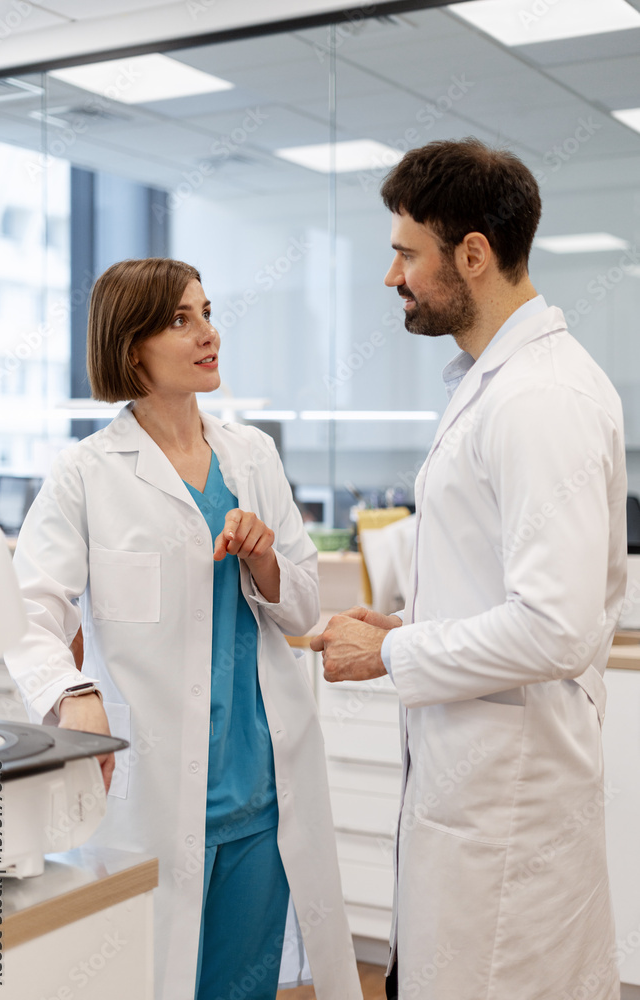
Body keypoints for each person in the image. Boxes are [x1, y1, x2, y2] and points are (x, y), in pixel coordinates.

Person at [311, 139, 627, 1000]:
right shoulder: (498, 383)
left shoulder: (537, 400)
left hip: (508, 805)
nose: (392, 278)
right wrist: (410, 627)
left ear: (474, 255)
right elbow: (505, 591)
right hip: (479, 786)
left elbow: (554, 625)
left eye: (406, 254)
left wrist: (387, 656)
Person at [5, 258, 362, 1000]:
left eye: (206, 312)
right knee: (151, 981)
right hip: (156, 797)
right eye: (180, 319)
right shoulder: (86, 473)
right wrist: (72, 691)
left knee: (240, 987)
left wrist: (265, 559)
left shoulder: (251, 456)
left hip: (262, 793)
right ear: (132, 346)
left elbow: (297, 608)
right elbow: (28, 610)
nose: (209, 333)